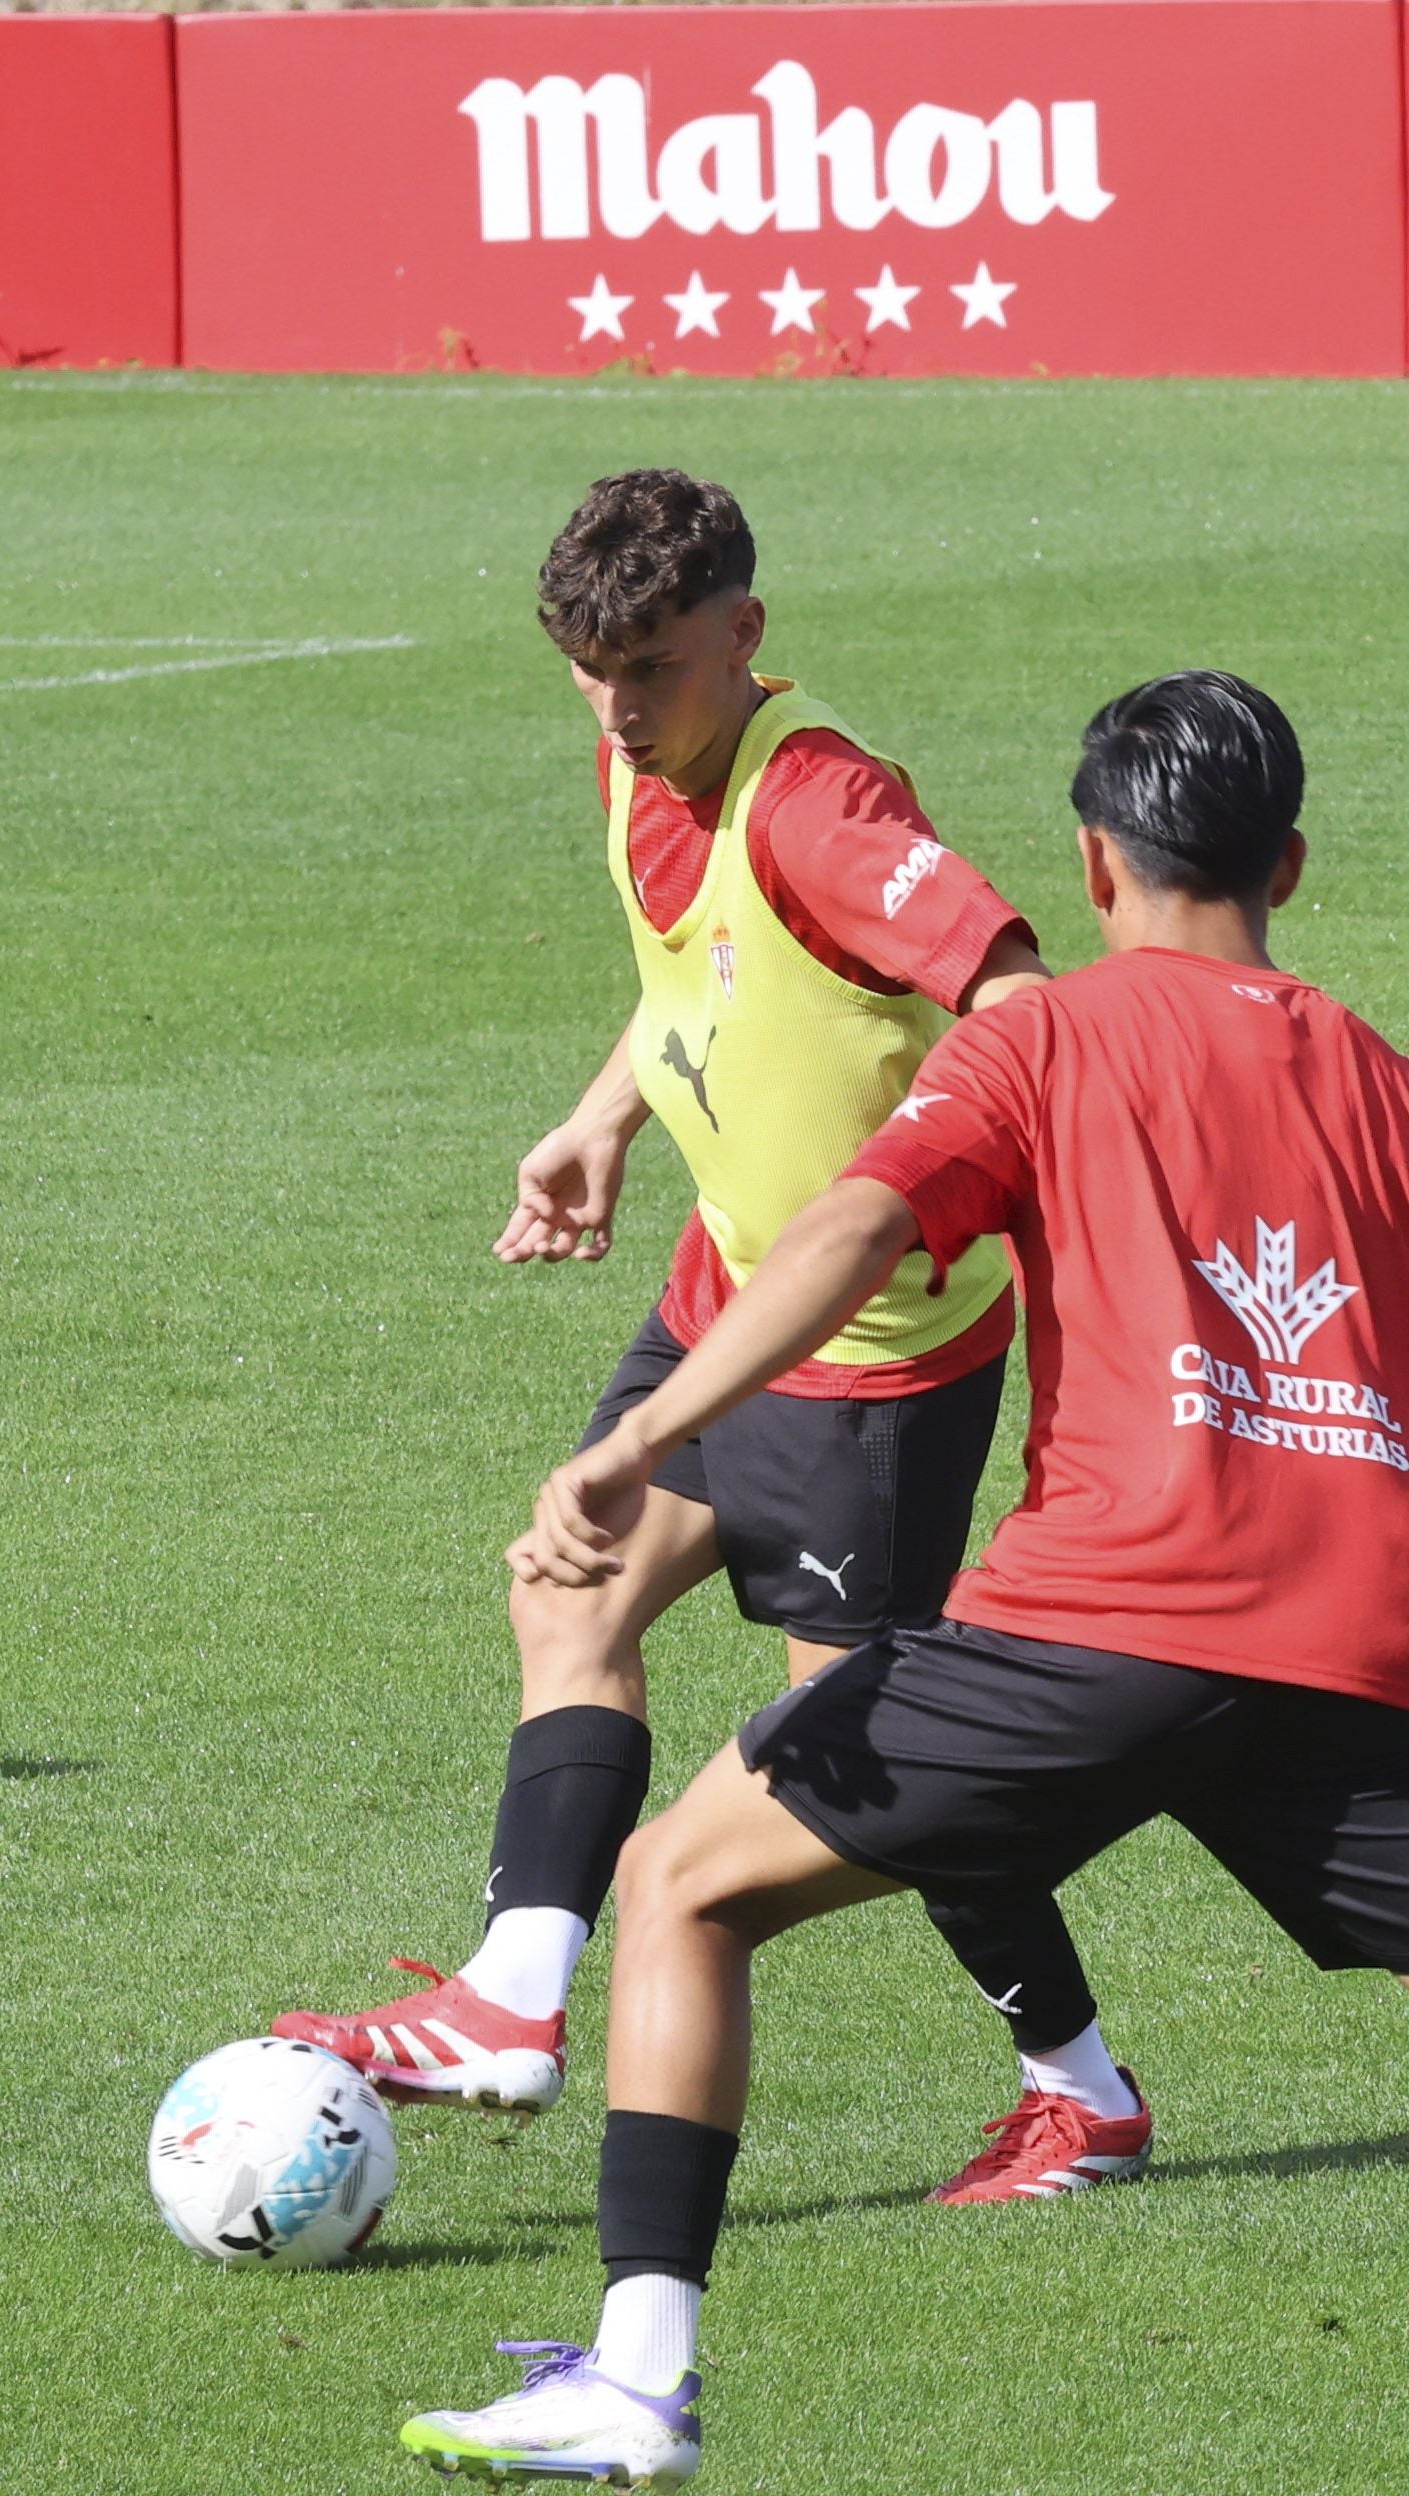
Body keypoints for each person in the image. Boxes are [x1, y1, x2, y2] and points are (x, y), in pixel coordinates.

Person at [398, 670, 1409, 2489]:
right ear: (1296, 864)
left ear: (1094, 867)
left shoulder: (1044, 1040)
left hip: (1087, 1633)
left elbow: (862, 1222)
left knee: (686, 1884)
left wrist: (641, 1435)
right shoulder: (1380, 1084)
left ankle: (638, 2385)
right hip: (1349, 1652)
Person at [276, 469, 1147, 2197]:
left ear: (743, 637)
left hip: (865, 1353)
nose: (615, 707)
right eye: (588, 668)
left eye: (652, 670)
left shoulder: (824, 805)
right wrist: (607, 1110)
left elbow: (1019, 997)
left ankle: (1087, 2088)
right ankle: (516, 2000)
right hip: (719, 1292)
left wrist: (921, 1184)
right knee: (568, 1580)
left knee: (860, 1768)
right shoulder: (638, 748)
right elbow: (713, 975)